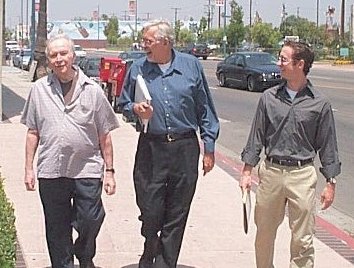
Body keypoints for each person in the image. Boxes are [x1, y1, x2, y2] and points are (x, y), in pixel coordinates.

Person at [119, 20, 220, 268]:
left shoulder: (191, 66)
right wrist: (135, 109)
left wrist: (209, 147)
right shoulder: (138, 68)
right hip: (151, 147)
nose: (144, 46)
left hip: (184, 148)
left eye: (148, 41)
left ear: (165, 42)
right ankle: (150, 242)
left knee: (177, 210)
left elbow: (205, 108)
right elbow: (122, 103)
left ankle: (165, 262)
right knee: (150, 208)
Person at [20, 34, 119, 268]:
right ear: (48, 60)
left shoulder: (92, 90)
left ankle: (84, 256)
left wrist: (110, 171)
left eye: (63, 53)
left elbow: (105, 135)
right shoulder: (39, 90)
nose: (59, 59)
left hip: (87, 169)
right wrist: (28, 169)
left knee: (90, 219)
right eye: (53, 55)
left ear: (73, 55)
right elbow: (32, 132)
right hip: (51, 170)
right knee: (56, 227)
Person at [240, 40, 341, 268]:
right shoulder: (268, 98)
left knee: (303, 240)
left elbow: (328, 146)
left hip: (302, 175)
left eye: (283, 59)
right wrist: (247, 172)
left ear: (300, 64)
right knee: (264, 236)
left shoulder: (320, 103)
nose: (279, 63)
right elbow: (256, 137)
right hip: (271, 173)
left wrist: (330, 183)